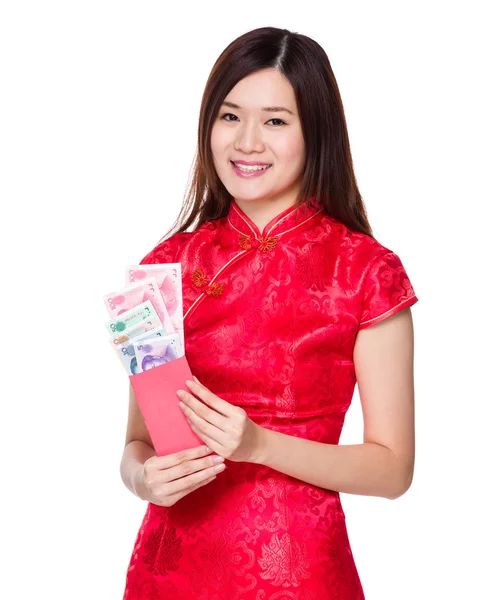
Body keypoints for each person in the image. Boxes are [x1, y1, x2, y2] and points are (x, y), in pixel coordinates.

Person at [120, 26, 418, 599]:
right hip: (168, 570)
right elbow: (138, 443)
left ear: (316, 132)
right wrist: (143, 478)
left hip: (297, 575)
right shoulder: (163, 268)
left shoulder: (364, 271)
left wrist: (259, 445)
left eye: (275, 121)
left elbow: (392, 469)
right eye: (230, 116)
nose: (247, 142)